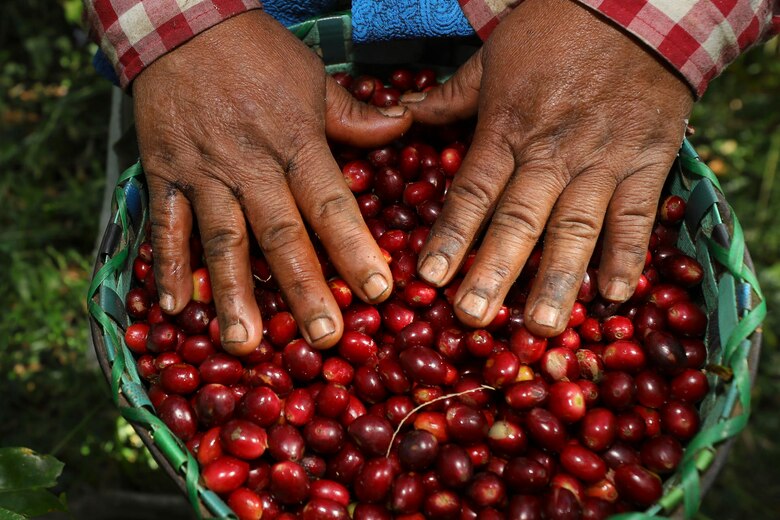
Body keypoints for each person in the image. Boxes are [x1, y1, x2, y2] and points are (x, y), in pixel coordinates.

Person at [85, 0, 779, 355]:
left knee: (591, 193)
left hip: (589, 74)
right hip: (214, 79)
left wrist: (647, 25)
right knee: (196, 208)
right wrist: (173, 24)